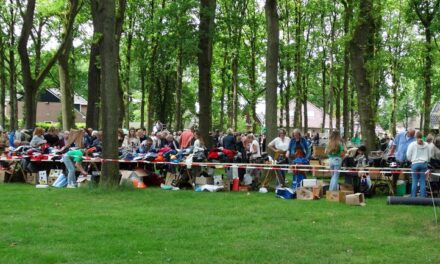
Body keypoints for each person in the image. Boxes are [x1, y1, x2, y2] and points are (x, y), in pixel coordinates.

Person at [407, 132, 431, 198]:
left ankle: (413, 197)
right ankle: (422, 198)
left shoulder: (412, 144)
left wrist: (410, 160)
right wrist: (427, 161)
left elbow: (408, 155)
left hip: (415, 163)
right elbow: (429, 156)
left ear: (415, 137)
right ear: (422, 136)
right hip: (424, 164)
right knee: (422, 181)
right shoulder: (427, 145)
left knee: (414, 181)